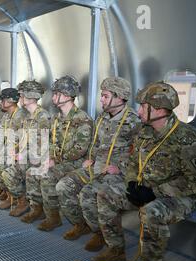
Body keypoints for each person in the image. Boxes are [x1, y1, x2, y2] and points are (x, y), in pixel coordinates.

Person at [91, 81, 196, 261]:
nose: (138, 110)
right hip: (145, 189)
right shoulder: (144, 133)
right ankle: (116, 249)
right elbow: (131, 163)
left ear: (159, 110)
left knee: (151, 212)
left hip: (180, 196)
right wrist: (131, 184)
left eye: (143, 106)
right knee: (105, 193)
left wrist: (154, 192)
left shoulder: (189, 138)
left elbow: (195, 182)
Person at [55, 77, 141, 244]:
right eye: (102, 95)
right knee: (63, 185)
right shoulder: (102, 117)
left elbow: (139, 155)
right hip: (97, 167)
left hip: (117, 173)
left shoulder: (134, 121)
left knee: (88, 194)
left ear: (119, 97)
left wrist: (120, 168)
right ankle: (84, 226)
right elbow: (96, 143)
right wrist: (91, 159)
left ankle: (105, 236)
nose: (101, 99)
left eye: (105, 96)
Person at [22, 76, 93, 228]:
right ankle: (38, 209)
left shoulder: (82, 119)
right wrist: (50, 158)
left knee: (47, 175)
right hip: (59, 160)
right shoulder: (56, 118)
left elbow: (80, 150)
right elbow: (52, 142)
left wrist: (55, 160)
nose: (53, 97)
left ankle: (63, 220)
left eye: (56, 94)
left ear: (66, 96)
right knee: (32, 172)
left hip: (75, 162)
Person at [0, 80, 51, 216]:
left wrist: (24, 155)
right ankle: (22, 201)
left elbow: (43, 145)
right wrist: (15, 150)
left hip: (38, 158)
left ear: (31, 96)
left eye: (22, 95)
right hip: (27, 155)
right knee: (5, 168)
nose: (20, 98)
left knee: (10, 173)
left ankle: (35, 207)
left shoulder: (43, 116)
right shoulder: (26, 115)